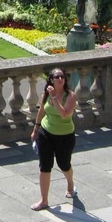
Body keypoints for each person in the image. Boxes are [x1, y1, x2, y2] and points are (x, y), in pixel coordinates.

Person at [30, 68, 77, 211]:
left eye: (62, 76)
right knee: (45, 166)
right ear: (51, 79)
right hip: (46, 134)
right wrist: (36, 129)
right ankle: (44, 200)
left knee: (64, 164)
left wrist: (55, 98)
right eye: (57, 77)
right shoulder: (46, 94)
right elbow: (41, 111)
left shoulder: (70, 95)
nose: (60, 79)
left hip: (65, 136)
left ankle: (70, 183)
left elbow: (64, 114)